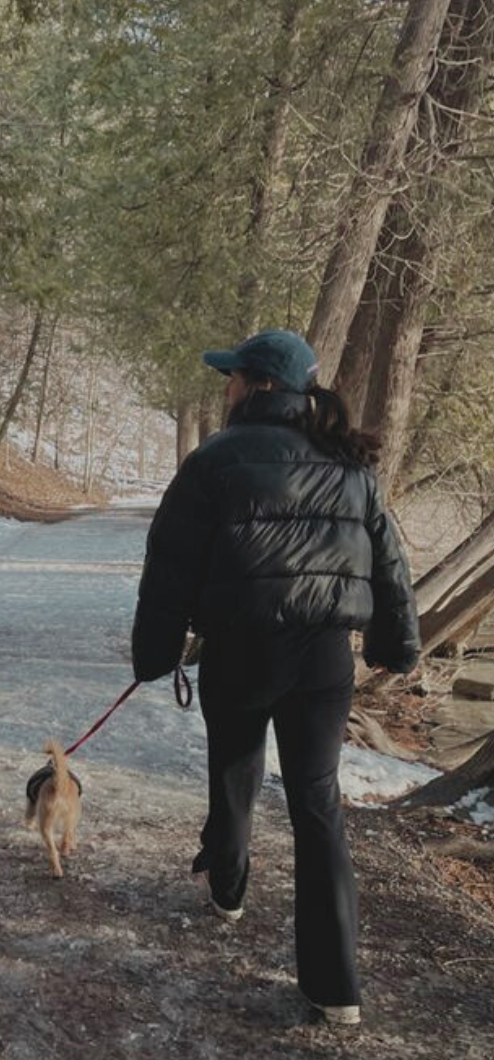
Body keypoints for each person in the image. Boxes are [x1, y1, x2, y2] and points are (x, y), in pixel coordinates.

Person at [130, 328, 420, 1028]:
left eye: (231, 377)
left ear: (258, 385)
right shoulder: (351, 465)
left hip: (240, 651)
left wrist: (155, 652)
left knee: (234, 771)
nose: (224, 387)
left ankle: (228, 888)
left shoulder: (215, 461)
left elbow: (170, 566)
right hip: (324, 661)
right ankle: (337, 986)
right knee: (317, 808)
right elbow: (390, 562)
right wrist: (396, 644)